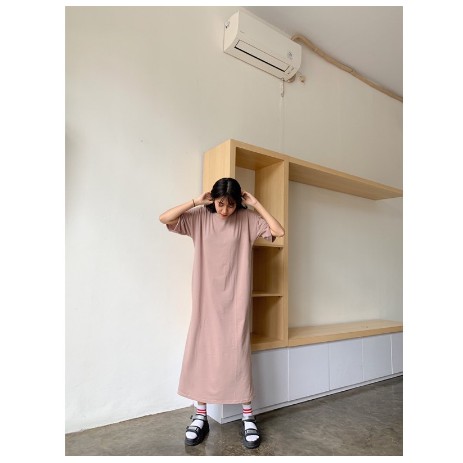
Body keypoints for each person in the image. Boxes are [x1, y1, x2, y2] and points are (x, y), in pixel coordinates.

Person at [159, 177, 285, 449]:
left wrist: (256, 203)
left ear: (238, 203)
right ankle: (200, 415)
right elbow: (164, 218)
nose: (225, 210)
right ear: (213, 200)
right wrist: (196, 201)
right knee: (202, 350)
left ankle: (248, 416)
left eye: (230, 204)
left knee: (237, 352)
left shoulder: (247, 219)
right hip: (206, 298)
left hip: (236, 299)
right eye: (220, 204)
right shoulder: (199, 218)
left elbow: (279, 230)